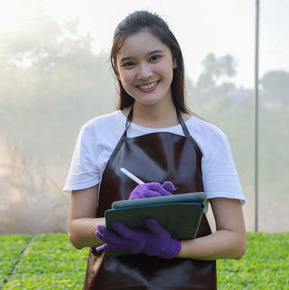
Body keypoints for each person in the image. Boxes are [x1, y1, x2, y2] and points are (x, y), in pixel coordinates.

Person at [64, 10, 247, 289]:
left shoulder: (209, 138)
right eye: (129, 63)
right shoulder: (96, 133)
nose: (144, 73)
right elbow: (77, 231)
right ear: (117, 70)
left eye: (154, 58)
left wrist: (174, 247)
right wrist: (124, 219)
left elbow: (235, 241)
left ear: (174, 59)